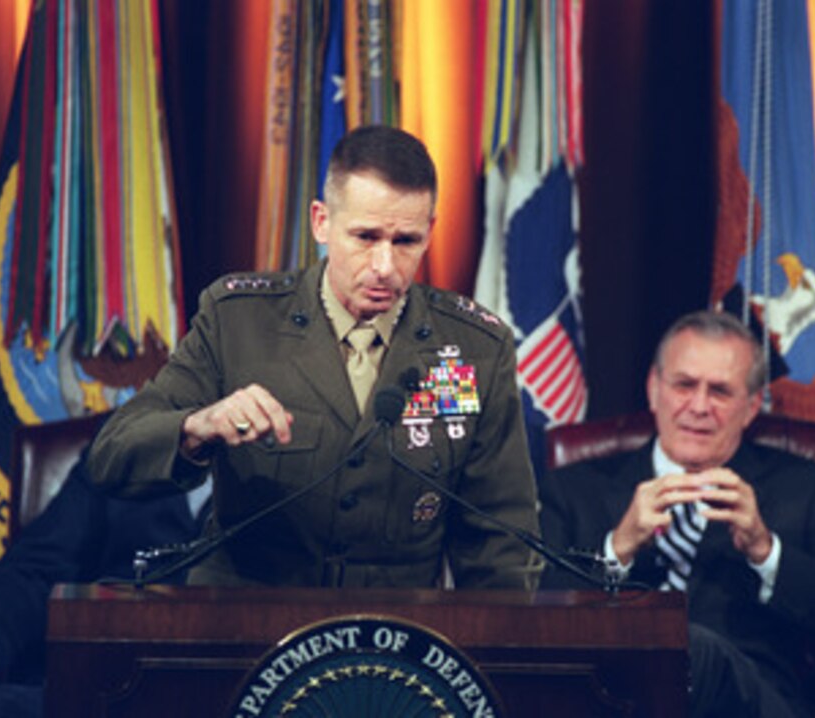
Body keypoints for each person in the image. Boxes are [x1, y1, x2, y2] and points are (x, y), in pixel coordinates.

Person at [88, 125, 540, 590]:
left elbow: (502, 545)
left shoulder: (474, 349)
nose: (385, 267)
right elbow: (112, 456)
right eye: (365, 236)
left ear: (430, 232)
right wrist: (197, 427)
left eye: (406, 241)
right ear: (321, 222)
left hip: (395, 640)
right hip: (250, 626)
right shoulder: (238, 322)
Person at [538, 310, 815, 717]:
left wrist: (767, 553)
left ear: (749, 407)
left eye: (720, 392)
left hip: (753, 702)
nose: (699, 406)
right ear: (654, 389)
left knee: (691, 645)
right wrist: (616, 550)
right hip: (612, 698)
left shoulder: (804, 488)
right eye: (684, 385)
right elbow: (530, 618)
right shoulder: (576, 488)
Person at [0, 448, 209, 718]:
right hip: (104, 686)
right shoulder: (125, 441)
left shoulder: (252, 459)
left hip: (227, 688)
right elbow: (38, 566)